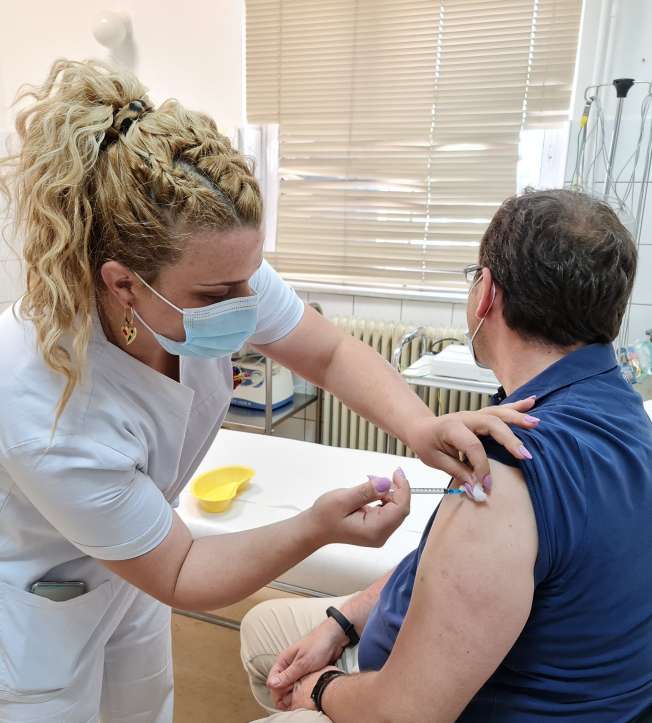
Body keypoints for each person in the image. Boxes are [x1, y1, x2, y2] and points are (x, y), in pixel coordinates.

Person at [0, 59, 535, 723]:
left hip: (137, 557)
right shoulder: (39, 395)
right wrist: (316, 526)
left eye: (249, 279)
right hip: (36, 593)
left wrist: (421, 427)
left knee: (143, 709)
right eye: (217, 295)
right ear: (122, 284)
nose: (244, 304)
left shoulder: (217, 268)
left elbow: (330, 352)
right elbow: (181, 569)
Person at [241, 189, 652, 722]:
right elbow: (451, 570)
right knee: (261, 626)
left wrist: (319, 691)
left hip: (414, 705)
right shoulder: (625, 415)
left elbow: (403, 714)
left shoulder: (508, 472)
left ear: (487, 294)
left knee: (281, 680)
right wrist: (346, 619)